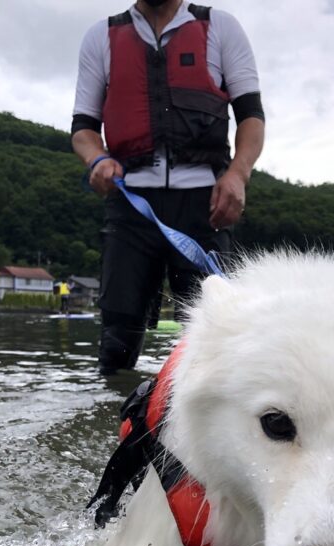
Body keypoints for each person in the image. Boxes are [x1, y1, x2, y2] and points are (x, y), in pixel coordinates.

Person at [72, 0, 265, 374]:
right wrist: (98, 160)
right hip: (131, 203)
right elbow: (83, 129)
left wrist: (238, 174)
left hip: (206, 205)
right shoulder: (101, 37)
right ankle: (114, 420)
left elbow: (252, 117)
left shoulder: (221, 28)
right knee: (116, 340)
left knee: (215, 337)